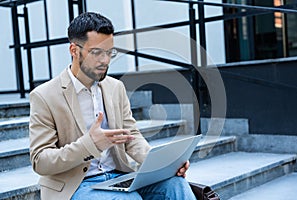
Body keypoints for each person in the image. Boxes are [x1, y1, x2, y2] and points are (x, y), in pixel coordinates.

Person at [29, 12, 196, 200]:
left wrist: (163, 164)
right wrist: (90, 145)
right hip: (76, 185)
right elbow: (40, 161)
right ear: (74, 50)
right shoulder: (44, 95)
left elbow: (131, 137)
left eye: (109, 53)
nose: (105, 61)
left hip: (118, 177)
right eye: (97, 53)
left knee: (176, 184)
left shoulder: (115, 87)